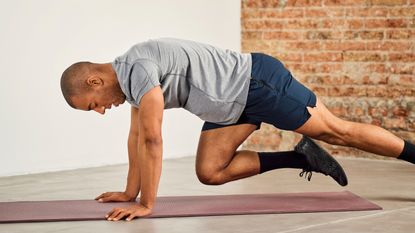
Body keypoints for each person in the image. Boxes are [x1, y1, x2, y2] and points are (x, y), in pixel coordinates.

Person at [60, 38, 414, 221]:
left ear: (95, 80)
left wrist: (147, 204)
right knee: (210, 172)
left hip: (257, 83)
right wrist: (129, 192)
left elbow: (153, 139)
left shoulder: (137, 68)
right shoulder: (132, 78)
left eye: (94, 104)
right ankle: (300, 156)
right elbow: (136, 138)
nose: (102, 110)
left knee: (339, 131)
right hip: (230, 104)